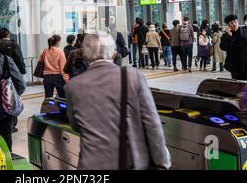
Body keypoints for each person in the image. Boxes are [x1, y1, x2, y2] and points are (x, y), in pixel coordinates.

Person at [65, 31, 171, 170]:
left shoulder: (73, 86)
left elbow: (76, 126)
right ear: (114, 53)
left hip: (91, 165)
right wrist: (162, 162)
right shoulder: (132, 76)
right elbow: (152, 123)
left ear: (84, 55)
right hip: (130, 162)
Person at [220, 14, 247, 80]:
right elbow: (224, 47)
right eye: (231, 23)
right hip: (234, 64)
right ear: (228, 25)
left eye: (235, 21)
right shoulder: (225, 36)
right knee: (237, 84)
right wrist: (229, 35)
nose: (234, 24)